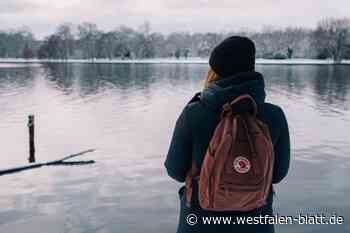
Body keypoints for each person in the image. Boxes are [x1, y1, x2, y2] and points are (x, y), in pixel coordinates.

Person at [165, 36, 290, 233]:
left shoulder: (194, 113)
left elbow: (175, 171)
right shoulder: (274, 115)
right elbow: (278, 174)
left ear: (215, 71)